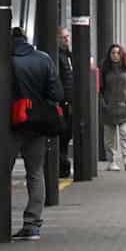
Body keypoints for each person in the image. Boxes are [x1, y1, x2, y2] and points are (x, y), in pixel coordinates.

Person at [0, 27, 63, 242]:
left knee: (1, 171)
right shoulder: (44, 59)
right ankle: (32, 224)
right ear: (26, 40)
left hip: (9, 125)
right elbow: (57, 93)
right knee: (35, 173)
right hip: (38, 123)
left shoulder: (3, 61)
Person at [99, 44, 126, 172]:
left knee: (125, 134)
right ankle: (112, 161)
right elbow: (99, 89)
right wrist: (103, 103)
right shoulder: (104, 69)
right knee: (109, 138)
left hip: (124, 108)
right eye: (113, 53)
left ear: (121, 54)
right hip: (109, 108)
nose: (115, 55)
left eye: (117, 53)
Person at [57, 27, 74, 177]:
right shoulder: (58, 57)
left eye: (67, 37)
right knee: (62, 135)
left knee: (67, 134)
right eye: (63, 37)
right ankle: (62, 165)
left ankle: (63, 164)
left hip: (70, 102)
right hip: (63, 102)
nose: (66, 39)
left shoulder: (69, 56)